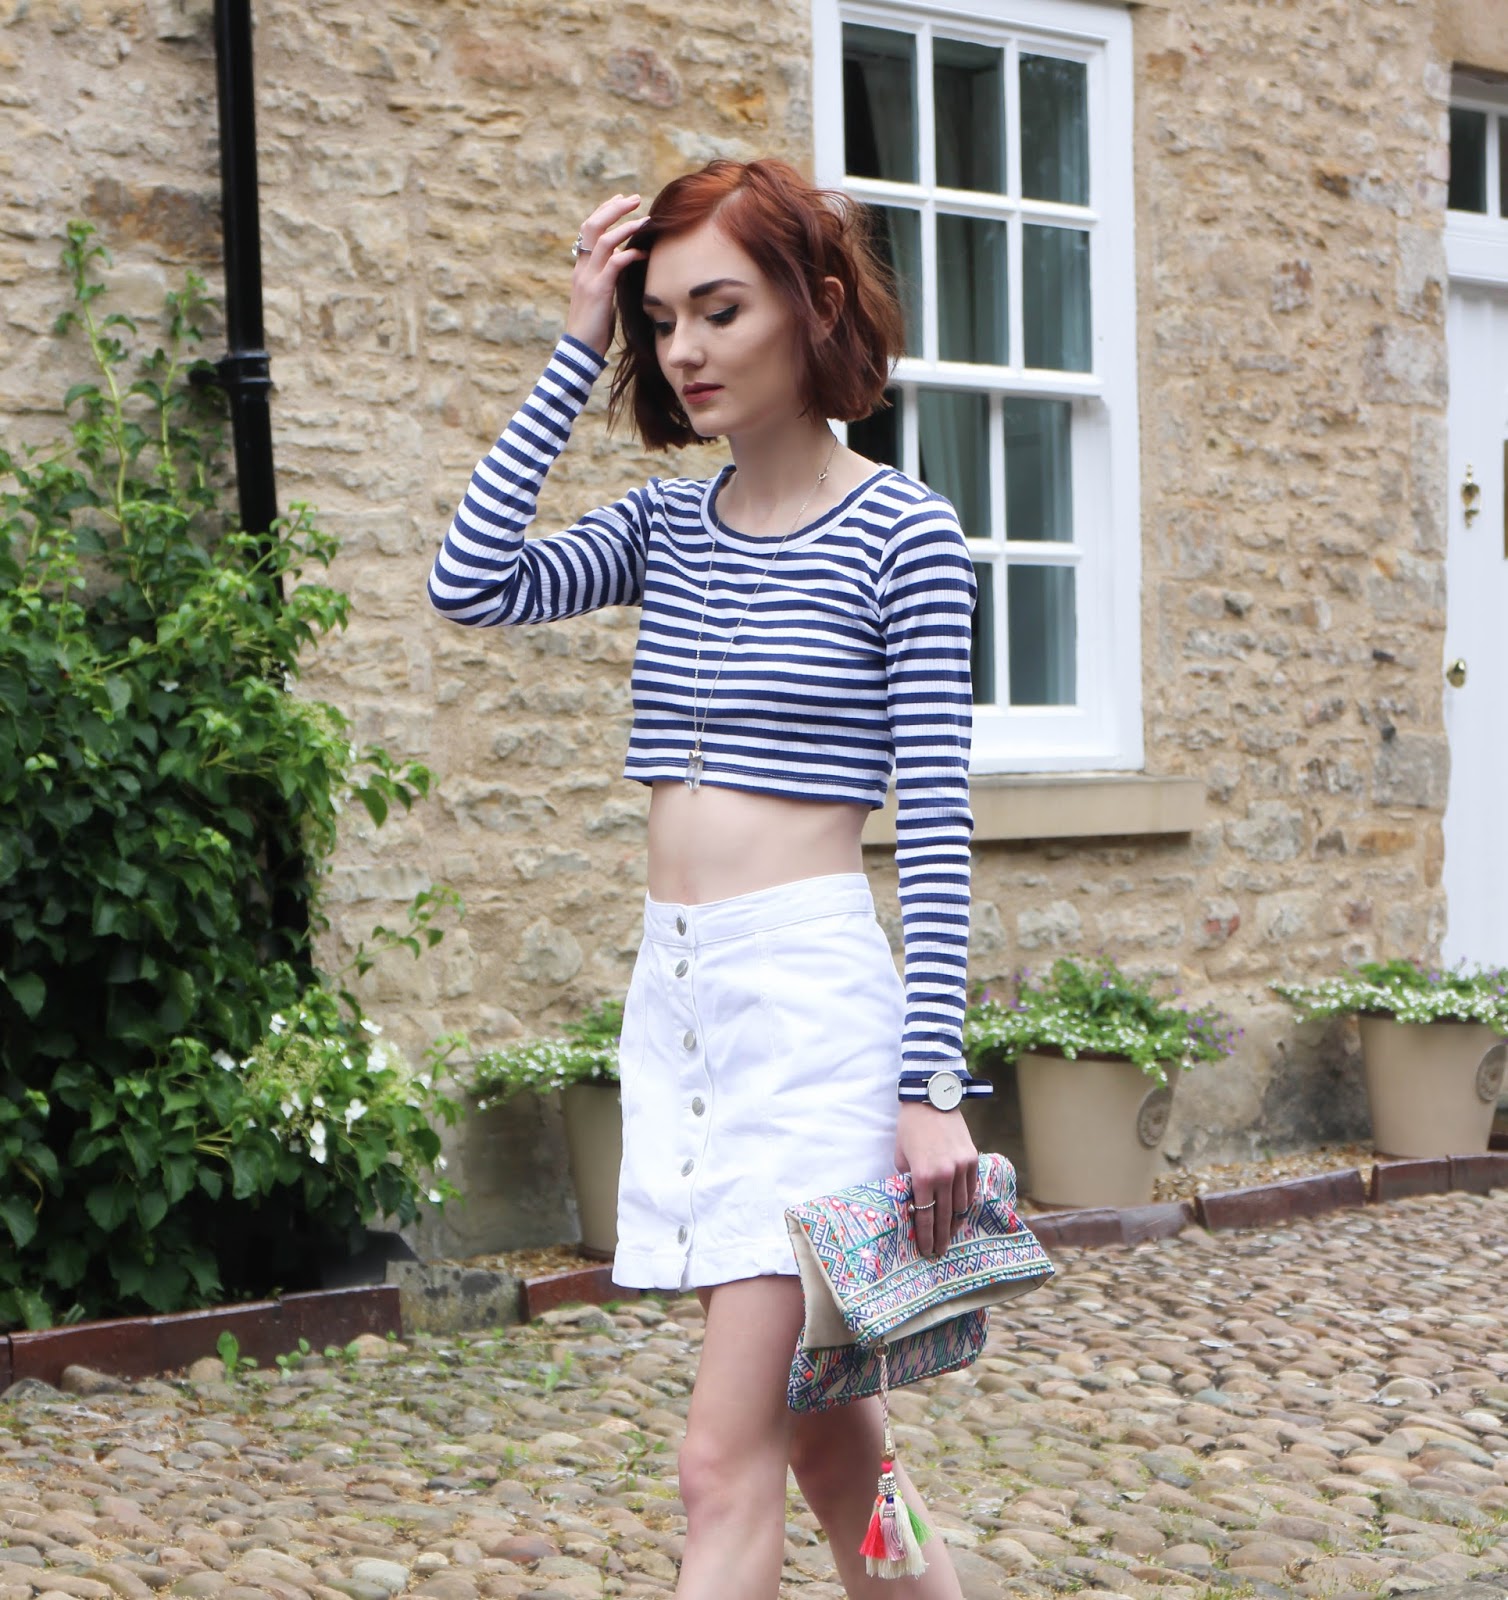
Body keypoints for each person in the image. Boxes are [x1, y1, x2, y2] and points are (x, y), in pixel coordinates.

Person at [428, 158, 993, 1599]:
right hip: (682, 1007)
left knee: (719, 1460)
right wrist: (577, 347)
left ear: (818, 306)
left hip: (813, 1020)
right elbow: (471, 580)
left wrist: (930, 1087)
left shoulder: (906, 538)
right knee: (835, 1449)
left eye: (719, 310)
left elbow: (936, 833)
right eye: (662, 317)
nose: (683, 349)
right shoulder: (663, 528)